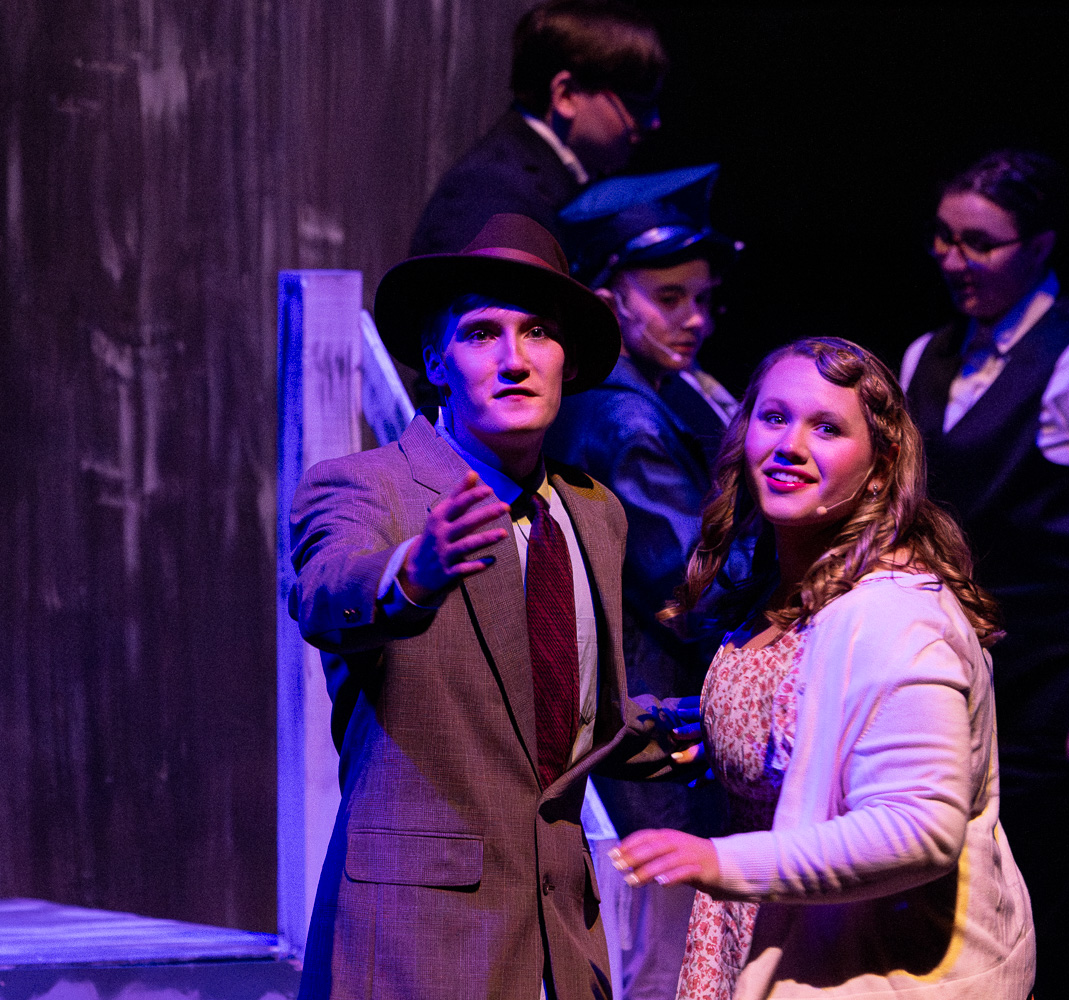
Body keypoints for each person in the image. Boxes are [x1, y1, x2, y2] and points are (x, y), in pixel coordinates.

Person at [289, 213, 686, 999]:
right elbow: (326, 592)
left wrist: (684, 732)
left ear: (569, 362)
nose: (515, 360)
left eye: (538, 333)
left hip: (561, 944)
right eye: (482, 334)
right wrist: (412, 570)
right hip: (414, 945)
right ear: (437, 361)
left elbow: (567, 721)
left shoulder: (593, 511)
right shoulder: (369, 487)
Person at [612, 338, 1037, 1000]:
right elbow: (811, 719)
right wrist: (721, 733)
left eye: (828, 428)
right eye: (774, 417)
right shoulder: (787, 585)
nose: (791, 445)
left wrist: (719, 859)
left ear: (881, 466)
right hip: (781, 938)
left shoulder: (895, 613)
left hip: (878, 968)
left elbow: (918, 828)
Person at [898, 148, 1069, 997]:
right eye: (943, 238)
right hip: (951, 674)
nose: (953, 259)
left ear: (1040, 247)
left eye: (980, 243)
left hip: (1048, 684)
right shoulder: (926, 354)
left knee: (1051, 901)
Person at [545, 164, 743, 1000]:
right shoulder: (626, 418)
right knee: (664, 963)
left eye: (702, 299)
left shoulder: (646, 396)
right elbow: (690, 585)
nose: (694, 319)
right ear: (607, 302)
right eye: (669, 298)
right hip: (653, 718)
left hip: (634, 722)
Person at [409, 0, 667, 255]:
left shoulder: (539, 182)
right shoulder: (490, 192)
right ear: (566, 96)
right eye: (638, 104)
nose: (655, 122)